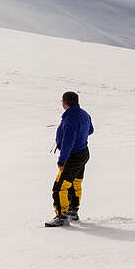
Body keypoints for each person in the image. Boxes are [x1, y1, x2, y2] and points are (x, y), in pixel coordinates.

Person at [46, 91, 94, 227]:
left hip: (73, 156)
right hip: (83, 153)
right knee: (75, 183)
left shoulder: (70, 119)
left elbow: (68, 143)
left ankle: (62, 216)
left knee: (60, 186)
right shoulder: (84, 114)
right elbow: (90, 130)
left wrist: (62, 160)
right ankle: (73, 211)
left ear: (65, 102)